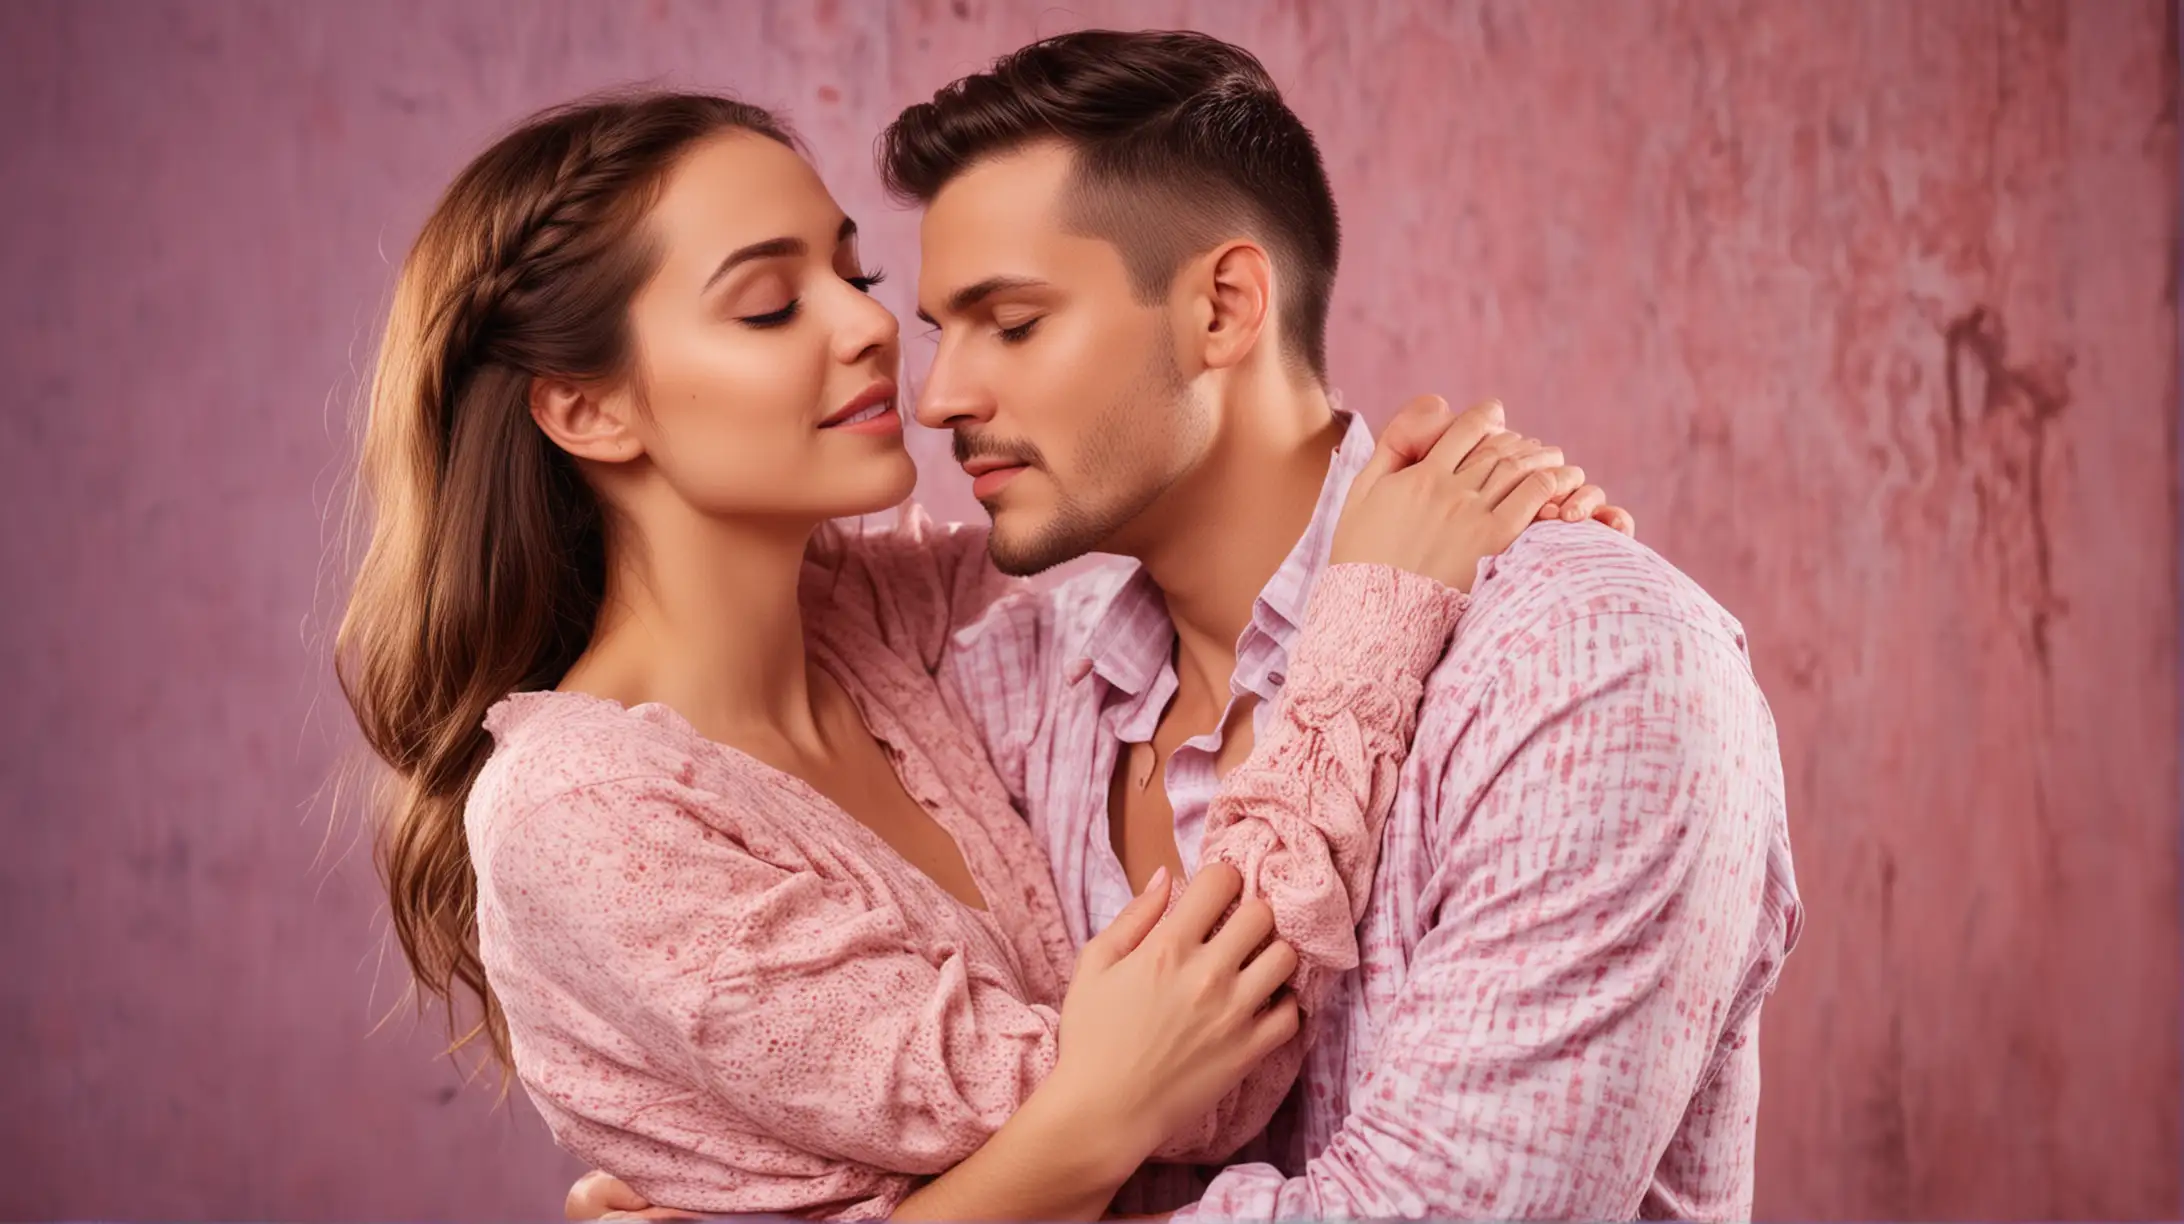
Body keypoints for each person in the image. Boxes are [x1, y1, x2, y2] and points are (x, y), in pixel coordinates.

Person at [578, 26, 1801, 1222]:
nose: (940, 396)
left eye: (1013, 324)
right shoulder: (1003, 694)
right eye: (946, 332)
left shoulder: (1584, 667)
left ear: (1222, 308)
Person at [337, 91, 1625, 1221]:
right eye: (774, 304)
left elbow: (1164, 496)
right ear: (586, 407)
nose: (877, 338)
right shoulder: (581, 813)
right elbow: (1188, 1087)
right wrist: (1382, 598)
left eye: (857, 279)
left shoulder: (901, 631)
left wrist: (1462, 491)